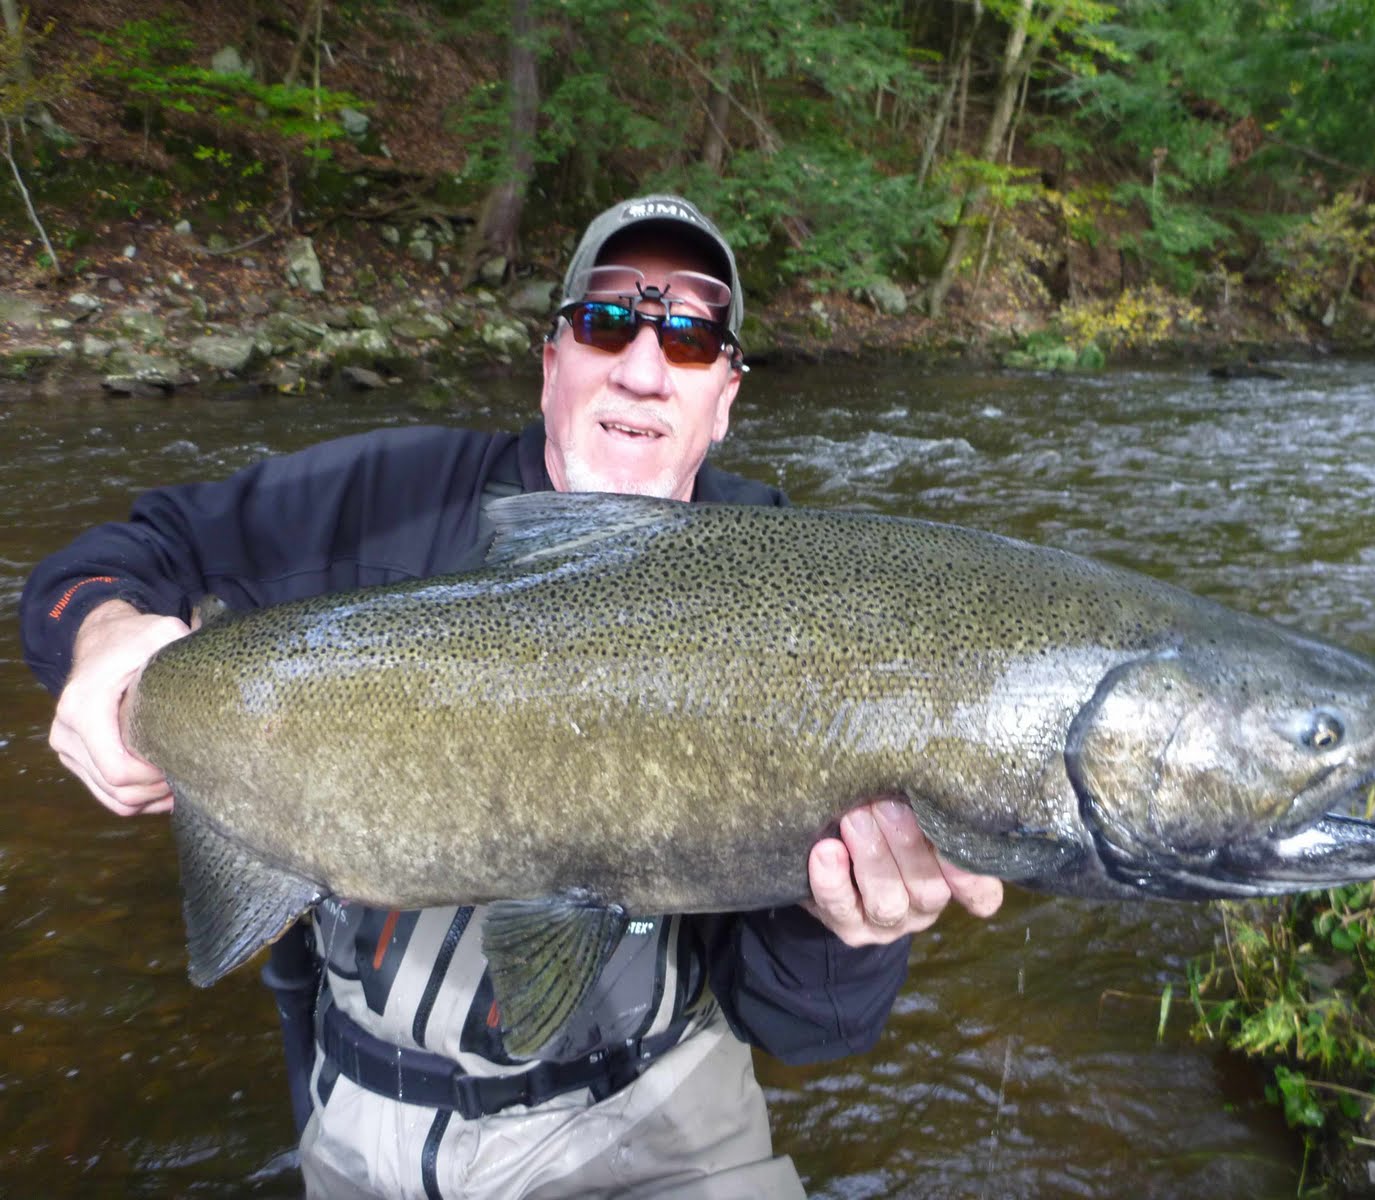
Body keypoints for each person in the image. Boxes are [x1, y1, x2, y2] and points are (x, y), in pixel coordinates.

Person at [20, 194, 1004, 1199]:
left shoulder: (801, 596)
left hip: (655, 1128)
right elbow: (111, 562)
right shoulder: (384, 496)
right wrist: (106, 641)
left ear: (726, 397)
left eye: (692, 336)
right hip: (359, 1120)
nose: (642, 367)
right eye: (606, 321)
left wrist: (846, 921)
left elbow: (810, 1026)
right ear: (551, 363)